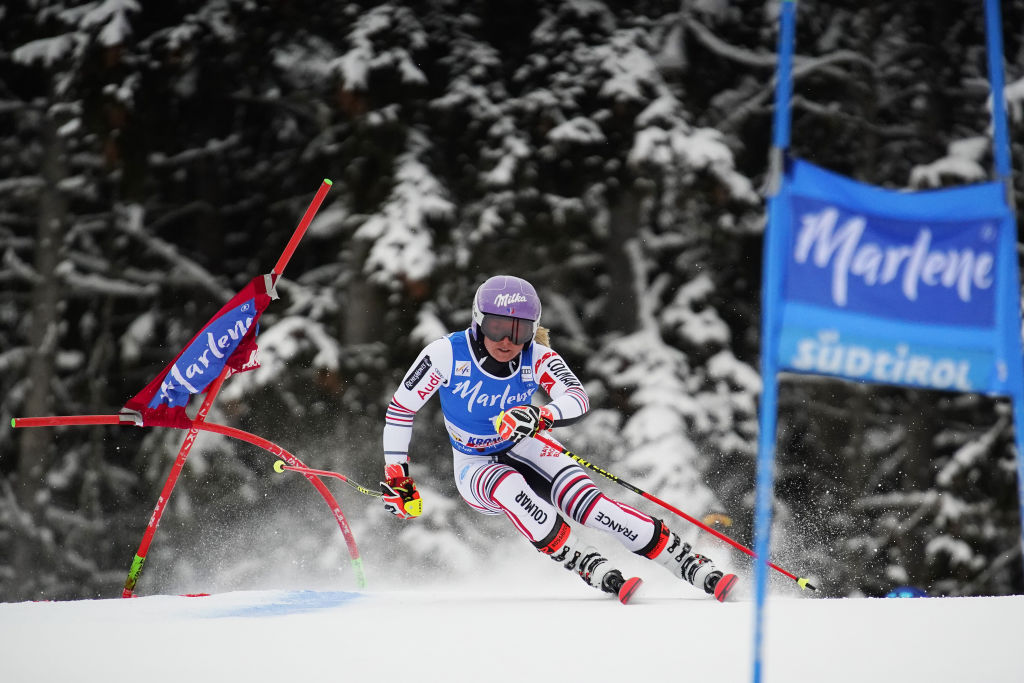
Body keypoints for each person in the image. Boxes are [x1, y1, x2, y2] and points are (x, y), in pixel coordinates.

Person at [380, 274, 737, 603]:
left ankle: (689, 563)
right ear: (478, 321)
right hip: (474, 463)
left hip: (528, 445)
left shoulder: (536, 356)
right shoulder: (446, 354)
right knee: (508, 484)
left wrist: (541, 415)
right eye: (497, 327)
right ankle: (581, 559)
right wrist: (397, 474)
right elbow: (401, 410)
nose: (507, 341)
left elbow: (576, 396)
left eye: (519, 332)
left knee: (592, 507)